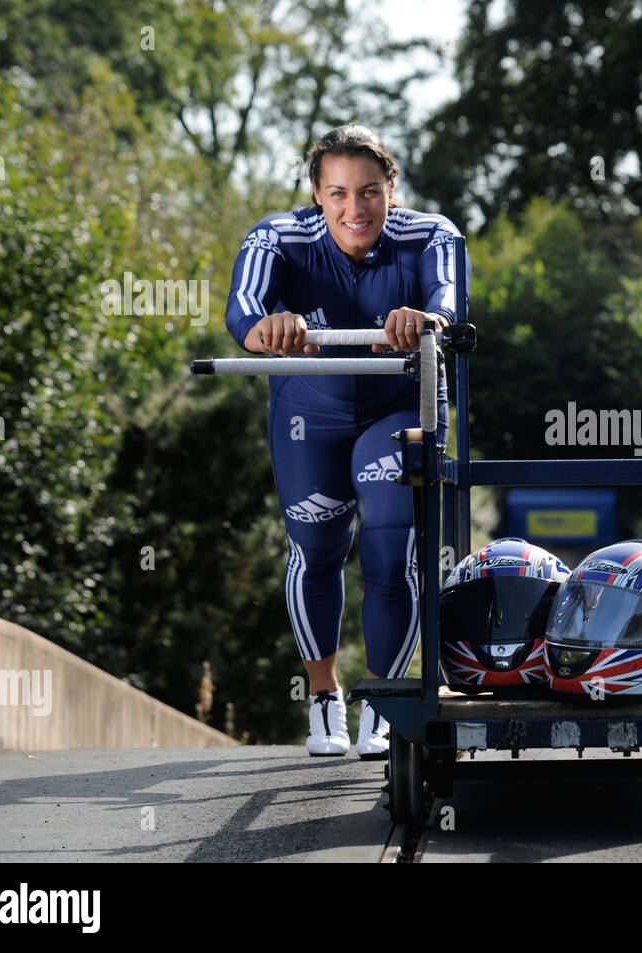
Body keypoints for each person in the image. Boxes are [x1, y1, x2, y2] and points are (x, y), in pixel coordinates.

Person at [224, 124, 465, 757]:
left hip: (398, 403)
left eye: (368, 193)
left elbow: (450, 303)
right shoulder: (277, 236)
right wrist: (267, 328)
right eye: (337, 193)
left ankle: (382, 702)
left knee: (390, 555)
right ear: (315, 193)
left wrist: (427, 319)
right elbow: (241, 313)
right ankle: (324, 697)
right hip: (311, 411)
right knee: (317, 550)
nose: (353, 210)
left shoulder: (431, 234)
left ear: (392, 188)